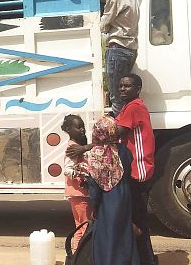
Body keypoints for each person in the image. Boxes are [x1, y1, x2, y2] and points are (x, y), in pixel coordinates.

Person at [85, 115, 139, 265]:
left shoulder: (96, 154)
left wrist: (93, 206)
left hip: (107, 199)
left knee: (107, 234)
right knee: (124, 230)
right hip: (124, 194)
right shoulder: (123, 150)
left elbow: (94, 185)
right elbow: (128, 169)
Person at [116, 74, 157, 265]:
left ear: (137, 89)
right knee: (136, 219)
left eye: (127, 86)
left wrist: (85, 147)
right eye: (121, 86)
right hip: (138, 170)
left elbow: (114, 133)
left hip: (137, 172)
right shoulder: (132, 106)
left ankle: (145, 260)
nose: (122, 89)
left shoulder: (133, 107)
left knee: (137, 221)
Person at [99, 0, 139, 115]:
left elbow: (103, 25)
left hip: (118, 50)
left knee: (117, 98)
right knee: (126, 97)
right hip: (130, 49)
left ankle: (119, 135)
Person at [61, 114, 90, 254]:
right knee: (84, 227)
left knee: (81, 226)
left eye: (83, 127)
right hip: (78, 193)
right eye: (78, 127)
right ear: (68, 129)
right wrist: (82, 175)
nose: (82, 130)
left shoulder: (78, 146)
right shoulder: (73, 148)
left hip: (80, 193)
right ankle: (79, 256)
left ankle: (76, 255)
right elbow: (67, 169)